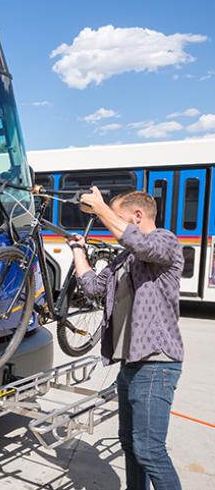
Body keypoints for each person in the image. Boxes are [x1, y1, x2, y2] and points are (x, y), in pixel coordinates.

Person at [71, 187, 184, 490]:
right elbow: (93, 287)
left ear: (137, 216)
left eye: (116, 217)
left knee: (150, 450)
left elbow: (140, 243)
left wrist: (98, 209)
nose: (110, 225)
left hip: (157, 365)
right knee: (131, 445)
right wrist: (78, 251)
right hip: (130, 365)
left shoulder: (166, 242)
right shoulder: (124, 258)